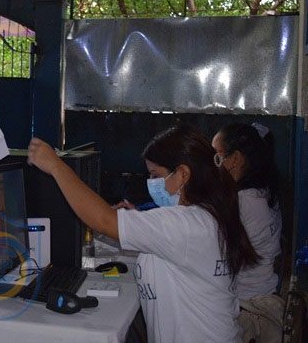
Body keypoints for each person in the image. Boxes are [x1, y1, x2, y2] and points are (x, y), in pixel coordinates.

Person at [27, 125, 259, 343]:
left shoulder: (185, 224)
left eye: (156, 175)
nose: (151, 183)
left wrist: (56, 167)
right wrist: (139, 223)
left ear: (183, 174)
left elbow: (103, 220)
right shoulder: (206, 216)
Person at [212, 123, 283, 341]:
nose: (214, 164)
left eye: (217, 157)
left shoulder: (244, 202)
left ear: (235, 159)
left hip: (249, 303)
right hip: (264, 287)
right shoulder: (262, 190)